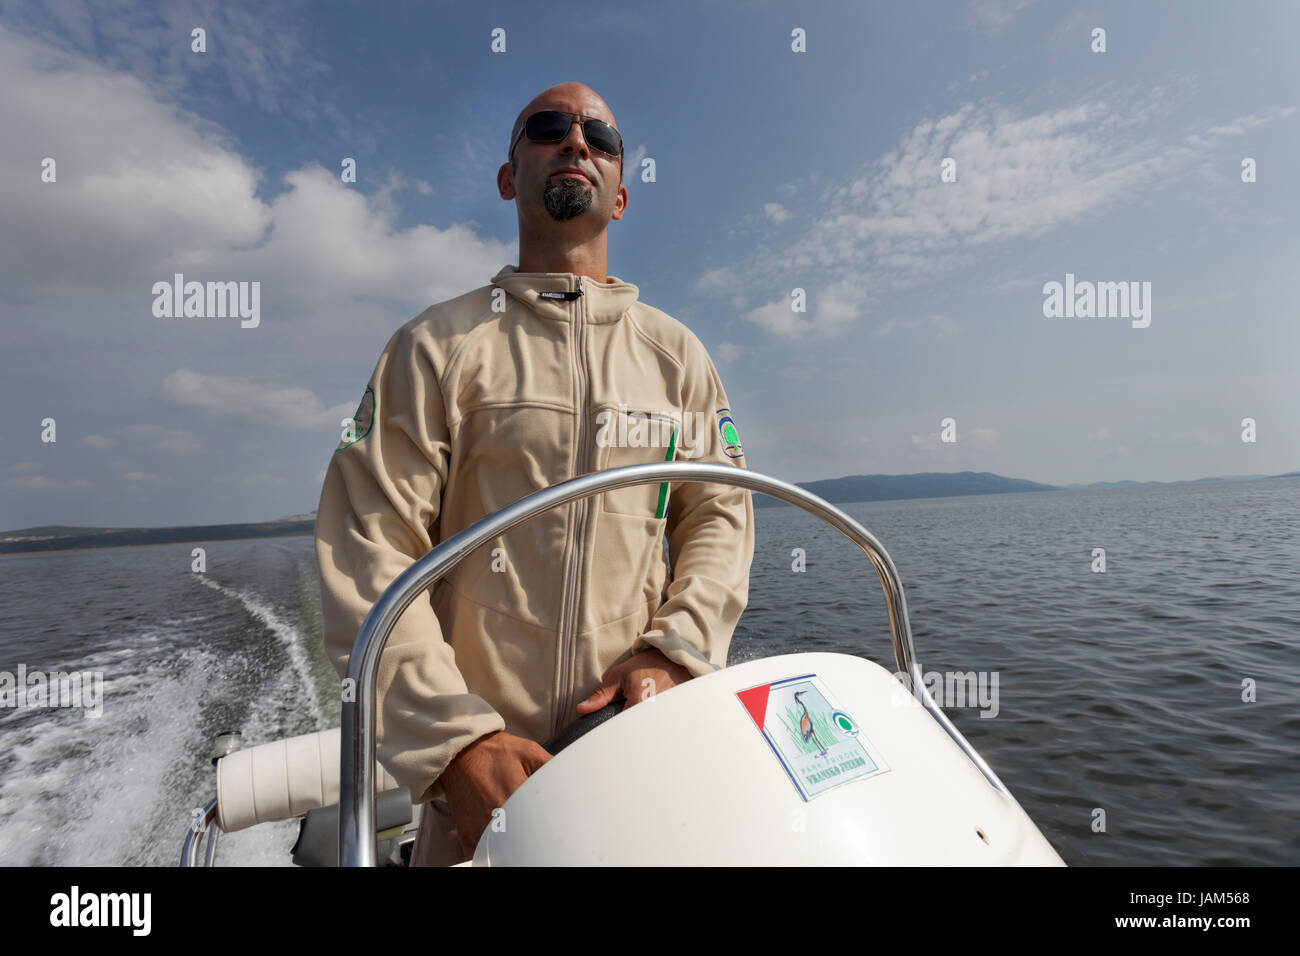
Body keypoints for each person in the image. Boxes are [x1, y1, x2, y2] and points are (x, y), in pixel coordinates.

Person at [314, 81, 755, 866]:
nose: (577, 142)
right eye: (549, 128)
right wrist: (457, 745)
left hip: (641, 763)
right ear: (508, 177)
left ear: (620, 195)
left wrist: (674, 652)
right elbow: (369, 548)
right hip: (480, 799)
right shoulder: (434, 347)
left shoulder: (678, 357)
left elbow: (718, 516)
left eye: (601, 137)